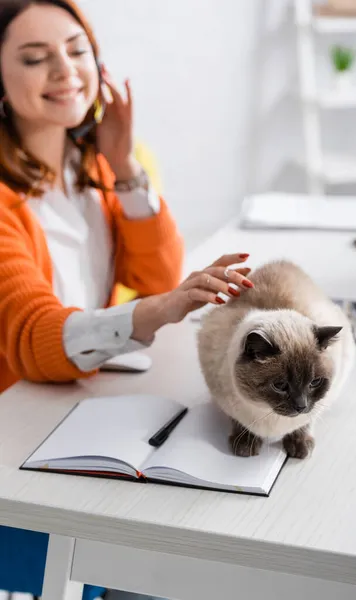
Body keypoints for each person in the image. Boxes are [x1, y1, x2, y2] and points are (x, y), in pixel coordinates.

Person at [0, 1, 254, 599]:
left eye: (76, 49)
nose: (65, 70)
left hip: (71, 413)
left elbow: (155, 269)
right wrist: (157, 309)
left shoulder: (89, 167)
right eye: (35, 59)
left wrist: (123, 163)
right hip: (15, 444)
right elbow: (35, 336)